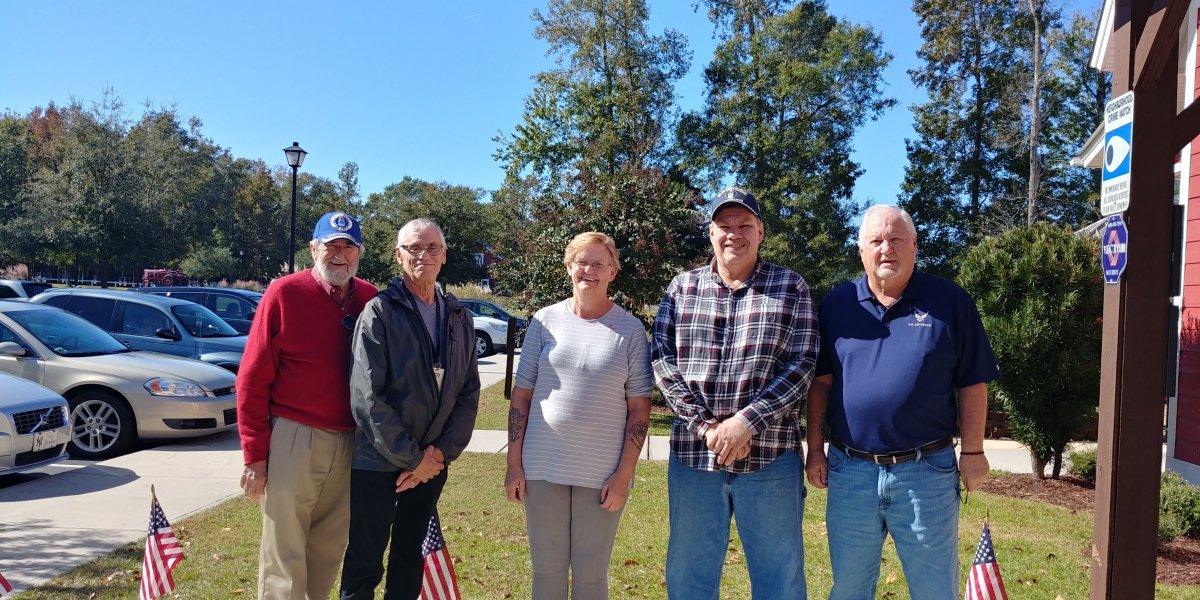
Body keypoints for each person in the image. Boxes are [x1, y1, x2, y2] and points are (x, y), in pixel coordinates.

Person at [805, 204, 1000, 600]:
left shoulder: (950, 302)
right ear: (861, 250)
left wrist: (974, 452)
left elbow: (973, 383)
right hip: (851, 471)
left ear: (914, 245)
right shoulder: (836, 305)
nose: (886, 248)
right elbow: (820, 385)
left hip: (926, 472)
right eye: (876, 240)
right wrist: (814, 450)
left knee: (934, 590)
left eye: (896, 239)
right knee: (849, 589)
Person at [651, 187, 818, 600]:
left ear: (761, 232)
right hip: (694, 458)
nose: (734, 233)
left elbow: (802, 364)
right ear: (710, 233)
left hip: (770, 460)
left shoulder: (791, 286)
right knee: (689, 578)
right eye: (724, 225)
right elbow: (662, 362)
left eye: (744, 224)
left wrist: (746, 423)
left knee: (779, 580)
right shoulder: (681, 288)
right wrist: (709, 428)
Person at [504, 232, 653, 600]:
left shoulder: (631, 330)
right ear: (569, 267)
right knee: (546, 571)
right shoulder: (544, 321)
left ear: (613, 272)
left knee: (590, 576)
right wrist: (514, 464)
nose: (589, 270)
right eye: (582, 262)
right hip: (541, 467)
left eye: (599, 263)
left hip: (601, 474)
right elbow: (521, 396)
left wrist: (624, 475)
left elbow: (639, 407)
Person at [236, 211, 377, 600]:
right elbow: (251, 377)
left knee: (329, 546)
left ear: (359, 253)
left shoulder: (370, 299)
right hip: (295, 436)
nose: (339, 255)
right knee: (284, 549)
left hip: (352, 441)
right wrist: (254, 455)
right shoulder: (284, 293)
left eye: (348, 247)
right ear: (314, 249)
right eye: (331, 246)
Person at [339, 218, 480, 600]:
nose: (424, 255)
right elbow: (367, 398)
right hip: (378, 462)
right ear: (399, 256)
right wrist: (413, 458)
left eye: (432, 247)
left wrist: (437, 455)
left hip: (433, 462)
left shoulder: (459, 318)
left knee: (409, 558)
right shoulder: (380, 312)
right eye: (414, 248)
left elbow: (468, 394)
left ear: (444, 255)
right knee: (365, 562)